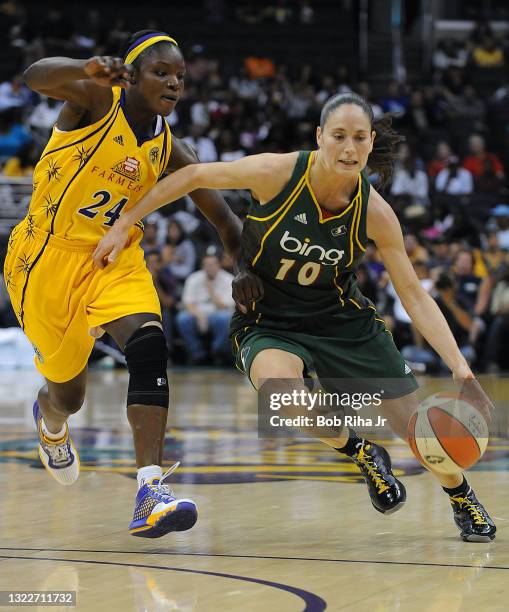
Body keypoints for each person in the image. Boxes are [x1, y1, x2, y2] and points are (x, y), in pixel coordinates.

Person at [94, 92, 496, 542]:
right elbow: (192, 174)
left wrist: (463, 371)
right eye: (339, 136)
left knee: (420, 432)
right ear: (320, 137)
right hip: (269, 321)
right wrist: (123, 222)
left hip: (342, 321)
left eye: (359, 138)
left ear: (369, 143)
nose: (349, 148)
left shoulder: (376, 213)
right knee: (282, 396)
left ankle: (461, 495)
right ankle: (361, 451)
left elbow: (415, 298)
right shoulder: (276, 173)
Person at [3, 30, 261, 539]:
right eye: (161, 72)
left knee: (148, 346)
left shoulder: (172, 150)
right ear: (133, 75)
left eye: (180, 77)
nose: (173, 83)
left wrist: (244, 268)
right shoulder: (96, 99)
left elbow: (227, 221)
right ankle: (50, 421)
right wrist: (85, 66)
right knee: (68, 395)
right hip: (45, 259)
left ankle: (149, 490)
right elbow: (35, 76)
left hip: (115, 260)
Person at [176, 253, 235, 364]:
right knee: (182, 318)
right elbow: (188, 303)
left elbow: (226, 306)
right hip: (198, 313)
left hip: (218, 313)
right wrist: (200, 316)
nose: (209, 268)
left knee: (224, 318)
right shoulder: (194, 278)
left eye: (212, 265)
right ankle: (198, 354)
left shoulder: (228, 279)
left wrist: (211, 290)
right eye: (206, 265)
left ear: (219, 265)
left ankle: (217, 352)